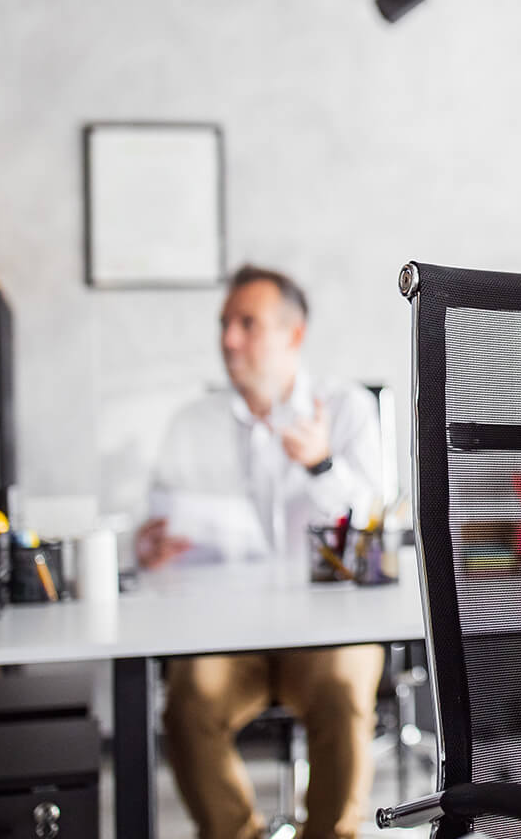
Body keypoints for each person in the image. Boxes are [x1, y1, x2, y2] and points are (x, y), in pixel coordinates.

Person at [137, 264, 388, 839]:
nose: (228, 339)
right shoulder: (191, 423)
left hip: (328, 628)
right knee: (188, 702)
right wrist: (147, 543)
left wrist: (321, 465)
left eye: (246, 324)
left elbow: (374, 525)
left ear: (293, 334)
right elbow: (153, 519)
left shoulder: (346, 409)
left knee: (344, 690)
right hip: (225, 632)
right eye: (225, 324)